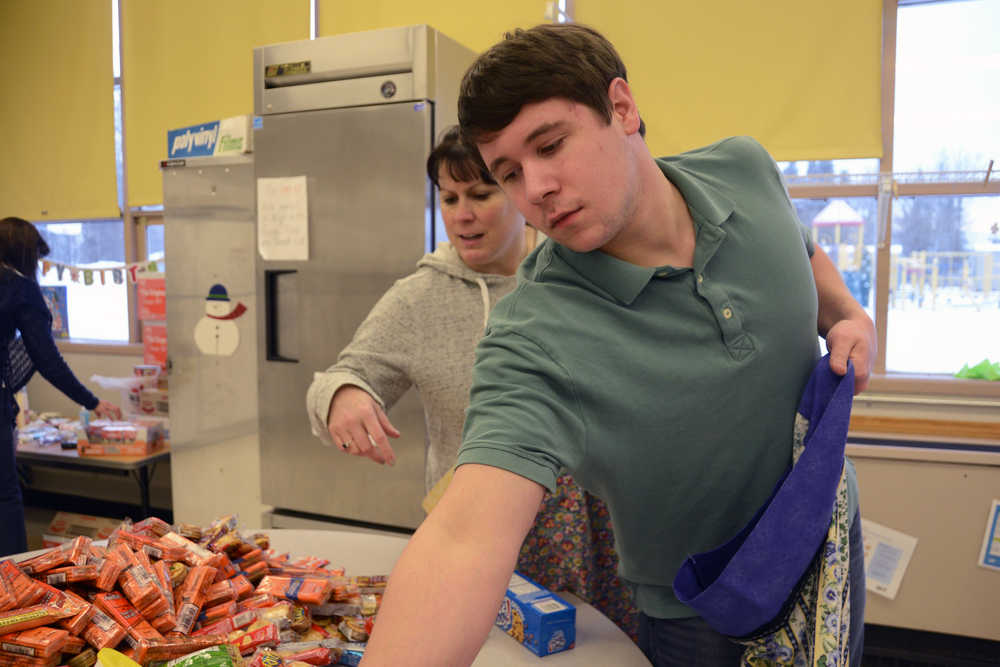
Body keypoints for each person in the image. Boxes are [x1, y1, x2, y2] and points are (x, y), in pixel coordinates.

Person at [360, 24, 876, 667]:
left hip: (825, 537)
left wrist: (850, 315)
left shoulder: (744, 170)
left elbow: (802, 252)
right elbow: (465, 539)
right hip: (703, 616)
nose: (537, 189)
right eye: (510, 173)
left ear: (623, 109)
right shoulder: (535, 335)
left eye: (551, 146)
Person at [306, 127, 639, 638]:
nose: (462, 213)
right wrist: (342, 396)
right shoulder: (418, 298)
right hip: (474, 540)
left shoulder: (578, 275)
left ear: (519, 191)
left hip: (595, 539)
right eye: (449, 197)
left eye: (481, 194)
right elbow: (344, 375)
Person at [0, 216, 121, 556]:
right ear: (25, 254)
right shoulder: (20, 288)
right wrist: (91, 401)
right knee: (5, 496)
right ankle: (13, 585)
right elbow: (46, 358)